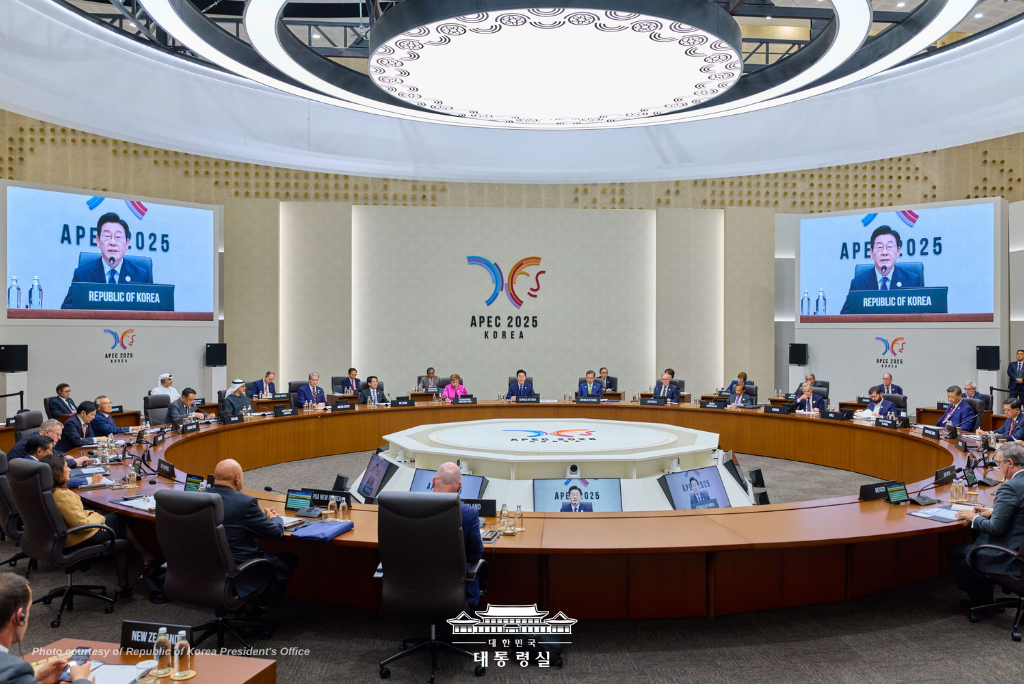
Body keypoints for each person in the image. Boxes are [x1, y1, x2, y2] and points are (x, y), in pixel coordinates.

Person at [42, 453, 154, 597]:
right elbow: (82, 525)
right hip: (76, 537)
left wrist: (93, 517)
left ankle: (126, 581)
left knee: (115, 525)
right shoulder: (62, 495)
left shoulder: (48, 490)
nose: (69, 469)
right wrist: (99, 520)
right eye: (66, 467)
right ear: (57, 472)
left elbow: (77, 516)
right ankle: (144, 559)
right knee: (118, 520)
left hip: (62, 536)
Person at [208, 459, 297, 615]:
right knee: (288, 560)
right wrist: (273, 518)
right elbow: (276, 533)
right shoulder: (245, 503)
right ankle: (259, 611)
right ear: (238, 480)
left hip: (207, 568)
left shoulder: (199, 498)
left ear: (215, 478)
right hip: (239, 570)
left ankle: (239, 608)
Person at [950, 443, 1024, 607]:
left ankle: (981, 604)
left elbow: (995, 529)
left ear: (1010, 463)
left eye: (999, 463)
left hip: (1011, 555)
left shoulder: (1010, 487)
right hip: (1020, 545)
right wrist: (993, 512)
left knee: (956, 552)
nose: (998, 468)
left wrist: (974, 518)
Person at [0, 572, 93, 684]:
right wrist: (80, 679)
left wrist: (37, 679)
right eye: (28, 610)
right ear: (19, 617)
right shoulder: (13, 671)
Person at [61, 212, 153, 309]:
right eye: (107, 236)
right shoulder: (82, 275)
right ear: (98, 241)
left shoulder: (141, 277)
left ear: (127, 243)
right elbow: (66, 309)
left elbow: (152, 312)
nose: (112, 242)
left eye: (118, 237)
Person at [431, 462, 484, 607]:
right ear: (459, 487)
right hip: (455, 590)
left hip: (412, 587)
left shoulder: (409, 508)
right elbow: (475, 555)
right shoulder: (468, 514)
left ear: (434, 481)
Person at [840, 225, 923, 314]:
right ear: (871, 253)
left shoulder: (912, 281)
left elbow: (922, 314)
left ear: (898, 252)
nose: (884, 252)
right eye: (879, 247)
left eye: (889, 247)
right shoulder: (858, 284)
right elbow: (845, 315)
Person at [13, 435, 89, 489]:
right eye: (51, 450)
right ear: (39, 451)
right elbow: (58, 483)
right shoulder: (40, 467)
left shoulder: (25, 462)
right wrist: (88, 480)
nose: (52, 453)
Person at [7, 420, 93, 468]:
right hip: (19, 479)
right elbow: (50, 463)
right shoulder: (35, 442)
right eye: (57, 434)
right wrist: (75, 461)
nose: (59, 438)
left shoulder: (40, 438)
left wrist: (64, 456)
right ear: (47, 432)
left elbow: (53, 452)